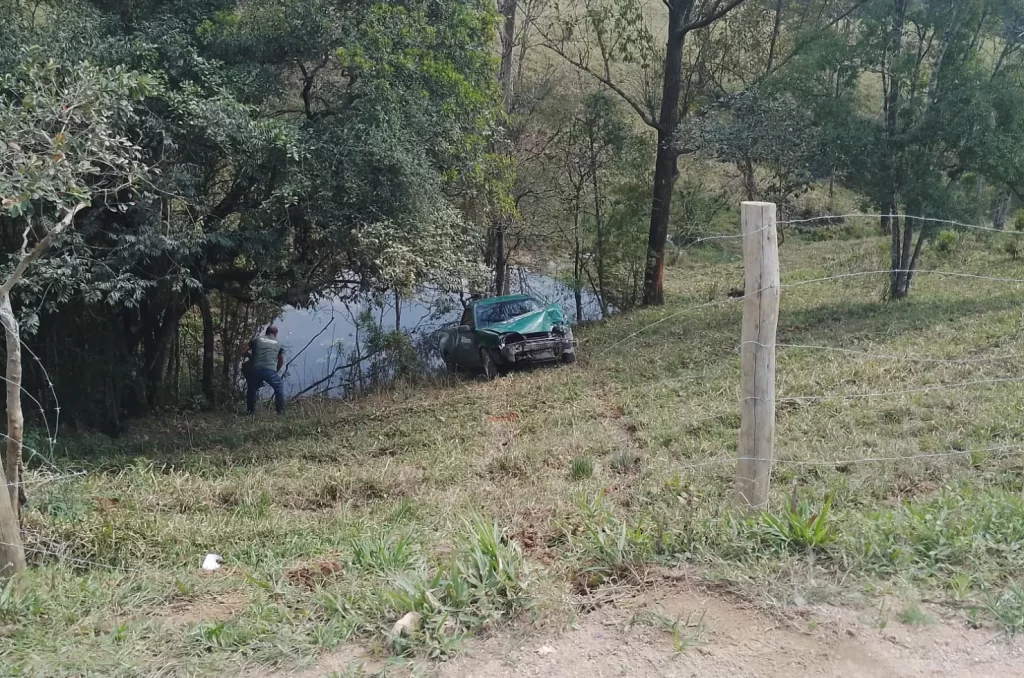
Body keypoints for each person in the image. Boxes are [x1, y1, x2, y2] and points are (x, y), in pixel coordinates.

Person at [243, 325, 285, 415]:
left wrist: (251, 357)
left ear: (266, 332)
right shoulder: (278, 343)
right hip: (270, 370)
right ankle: (280, 411)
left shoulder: (256, 339)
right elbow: (281, 360)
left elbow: (243, 352)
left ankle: (250, 412)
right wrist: (275, 370)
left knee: (251, 389)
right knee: (279, 389)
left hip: (255, 369)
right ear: (276, 334)